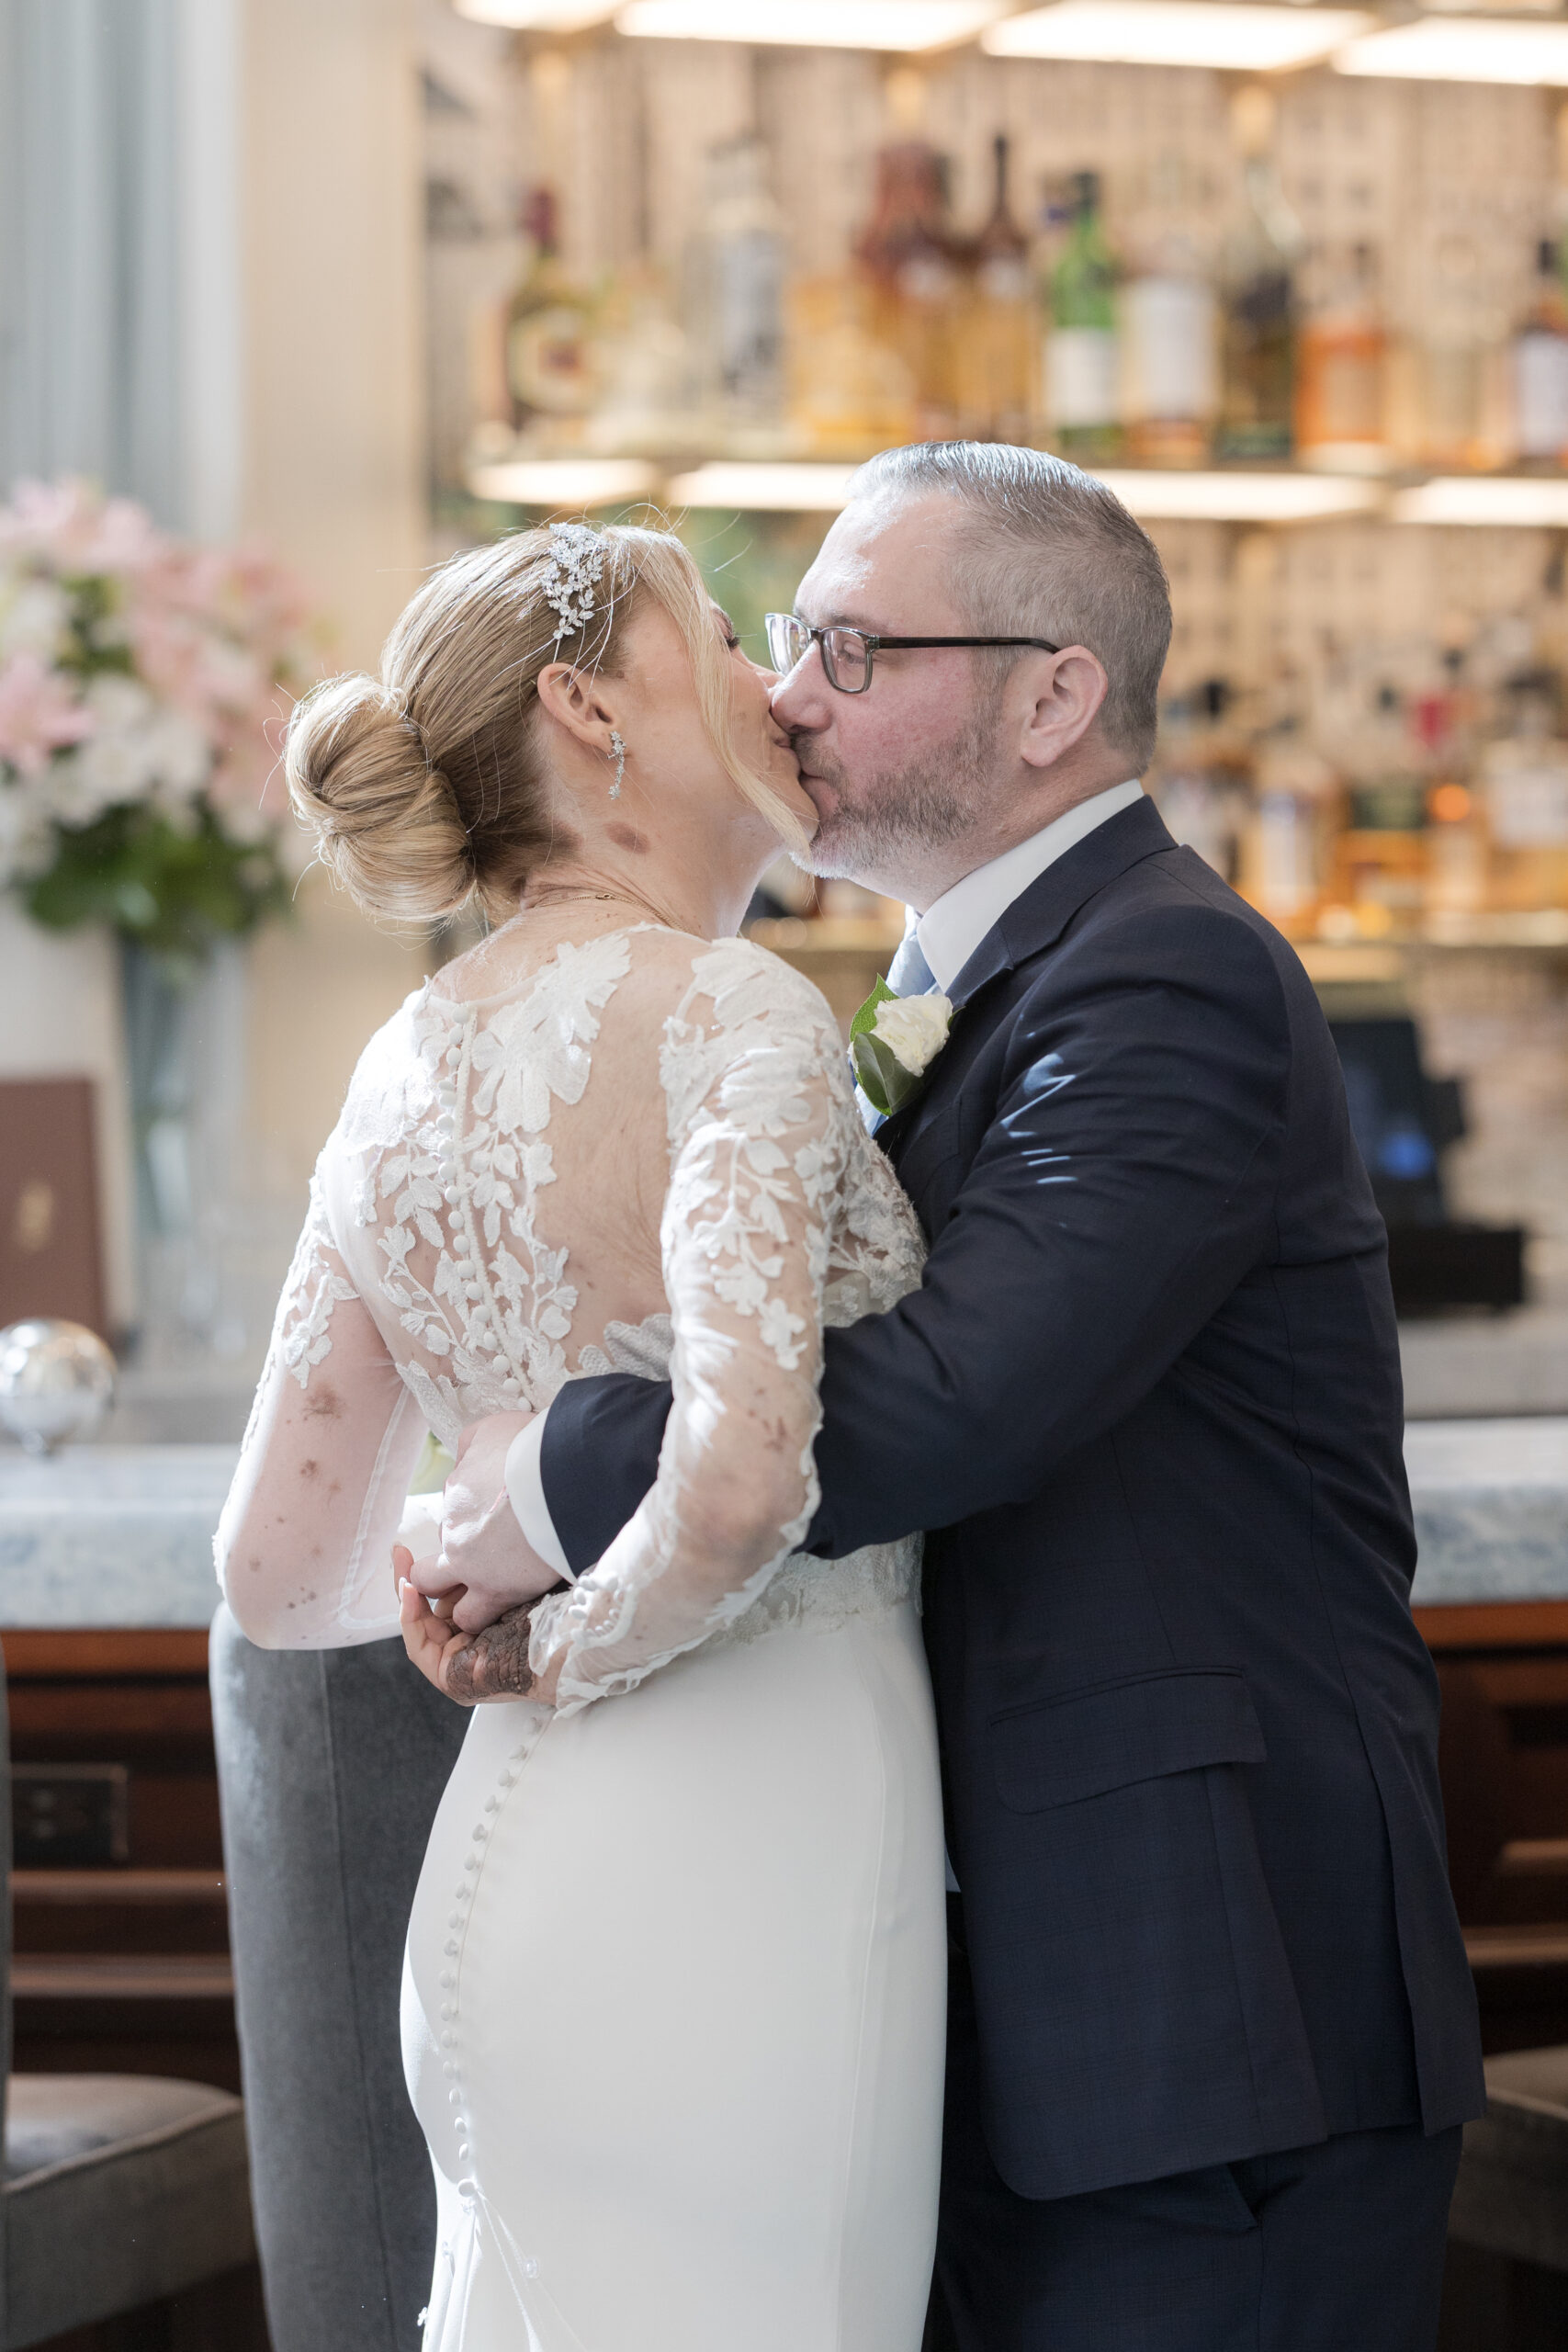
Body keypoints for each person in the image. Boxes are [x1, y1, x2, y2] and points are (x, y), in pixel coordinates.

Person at [434, 443, 1486, 2352]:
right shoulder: (937, 986)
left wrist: (542, 1477)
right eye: (783, 639)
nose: (786, 691)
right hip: (996, 1985)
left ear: (1049, 695)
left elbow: (947, 1397)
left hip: (1199, 1989)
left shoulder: (1167, 972)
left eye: (849, 645)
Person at [213, 518, 949, 2352]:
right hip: (761, 1850)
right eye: (714, 629)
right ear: (587, 706)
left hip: (501, 1885)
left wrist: (498, 1547)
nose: (779, 681)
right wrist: (571, 1643)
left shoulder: (396, 1068)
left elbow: (277, 1568)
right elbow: (746, 1460)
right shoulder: (729, 1012)